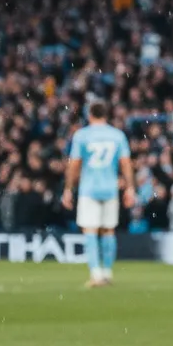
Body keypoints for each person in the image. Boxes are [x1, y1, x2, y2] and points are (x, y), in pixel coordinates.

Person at [62, 100, 134, 288]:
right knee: (108, 230)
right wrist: (130, 187)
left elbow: (74, 164)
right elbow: (125, 163)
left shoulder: (82, 135)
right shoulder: (117, 135)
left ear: (90, 115)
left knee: (90, 230)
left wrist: (68, 189)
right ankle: (107, 272)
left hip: (89, 188)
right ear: (106, 114)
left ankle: (96, 274)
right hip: (110, 188)